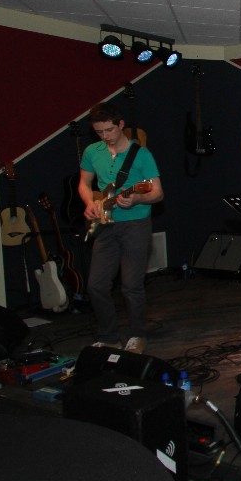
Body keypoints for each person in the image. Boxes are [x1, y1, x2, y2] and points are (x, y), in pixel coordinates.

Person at [78, 102, 163, 354]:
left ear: (121, 124)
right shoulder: (92, 151)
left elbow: (157, 193)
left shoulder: (142, 155)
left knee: (131, 285)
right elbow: (84, 183)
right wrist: (90, 203)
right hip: (105, 224)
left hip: (135, 224)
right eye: (99, 132)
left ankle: (137, 335)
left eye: (109, 130)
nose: (105, 136)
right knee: (96, 285)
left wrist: (137, 198)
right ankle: (108, 337)